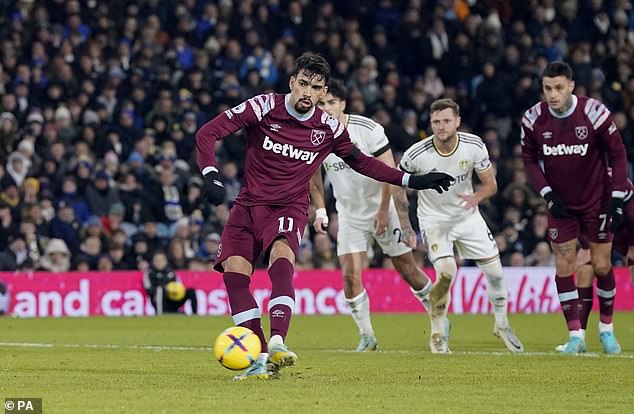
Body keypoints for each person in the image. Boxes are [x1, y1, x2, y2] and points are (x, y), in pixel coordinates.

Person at [195, 52, 453, 380]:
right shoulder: (263, 107)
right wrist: (210, 173)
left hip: (288, 207)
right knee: (234, 275)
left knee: (281, 258)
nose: (307, 92)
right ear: (292, 82)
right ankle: (259, 357)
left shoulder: (328, 128)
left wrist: (410, 180)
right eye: (302, 83)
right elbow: (207, 133)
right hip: (247, 204)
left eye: (315, 87)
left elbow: (363, 162)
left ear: (323, 91)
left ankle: (277, 341)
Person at [310, 79, 434, 352]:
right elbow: (314, 179)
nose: (326, 108)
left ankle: (438, 317)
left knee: (408, 270)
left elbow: (390, 173)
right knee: (350, 276)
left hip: (383, 208)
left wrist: (382, 211)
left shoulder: (368, 129)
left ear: (343, 104)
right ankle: (367, 337)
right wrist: (320, 209)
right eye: (321, 103)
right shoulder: (313, 134)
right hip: (350, 216)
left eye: (331, 102)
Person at [400, 98, 524, 354]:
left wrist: (477, 197)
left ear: (457, 121)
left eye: (446, 121)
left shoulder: (473, 146)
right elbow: (394, 183)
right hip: (434, 221)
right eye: (436, 122)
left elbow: (491, 185)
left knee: (496, 274)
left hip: (468, 218)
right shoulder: (416, 154)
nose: (441, 126)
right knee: (446, 274)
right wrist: (405, 223)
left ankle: (501, 324)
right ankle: (437, 332)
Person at [520, 61, 628, 354]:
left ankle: (606, 329)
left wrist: (617, 197)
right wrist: (547, 193)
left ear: (571, 87)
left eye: (558, 88)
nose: (552, 95)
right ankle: (576, 335)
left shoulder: (594, 113)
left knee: (602, 265)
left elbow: (618, 155)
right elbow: (529, 160)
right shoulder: (533, 119)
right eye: (547, 88)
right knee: (564, 264)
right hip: (562, 206)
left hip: (597, 202)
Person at [143, 250, 198, 315]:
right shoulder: (149, 273)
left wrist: (172, 289)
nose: (159, 262)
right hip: (158, 299)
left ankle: (195, 314)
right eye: (157, 260)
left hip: (173, 297)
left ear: (166, 261)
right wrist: (164, 289)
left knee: (191, 290)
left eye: (161, 260)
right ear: (153, 262)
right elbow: (148, 289)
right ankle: (160, 314)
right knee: (160, 290)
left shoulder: (171, 273)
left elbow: (179, 286)